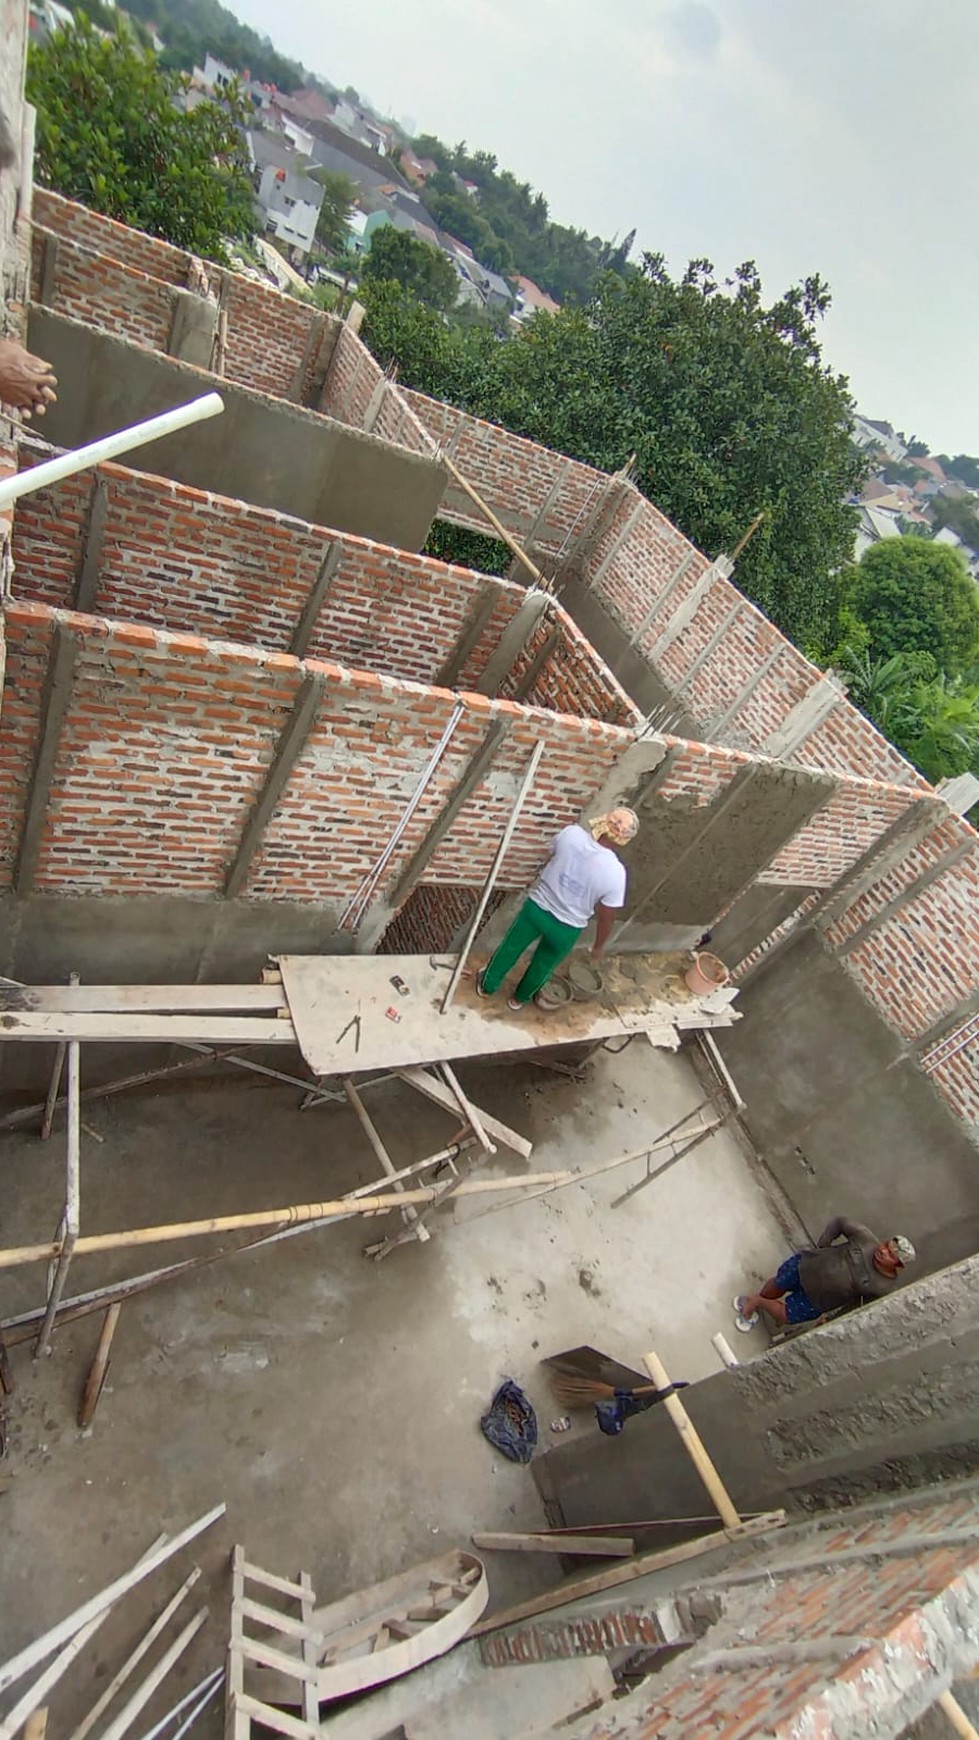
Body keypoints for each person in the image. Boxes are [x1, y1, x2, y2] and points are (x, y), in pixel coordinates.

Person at [477, 807, 639, 1011]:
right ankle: (518, 1000)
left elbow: (552, 853)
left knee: (511, 947)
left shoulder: (571, 834)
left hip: (537, 909)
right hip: (567, 928)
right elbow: (607, 915)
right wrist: (598, 946)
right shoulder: (616, 873)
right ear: (624, 839)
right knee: (543, 965)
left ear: (603, 819)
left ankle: (487, 985)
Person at [735, 1217, 916, 1332]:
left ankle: (758, 1302)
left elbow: (857, 1306)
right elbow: (840, 1223)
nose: (883, 1251)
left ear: (898, 1265)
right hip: (807, 1266)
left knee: (785, 1315)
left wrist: (831, 1320)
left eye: (890, 1254)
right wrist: (824, 1245)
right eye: (886, 1245)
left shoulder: (884, 1287)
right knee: (778, 1284)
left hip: (819, 1299)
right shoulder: (865, 1238)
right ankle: (758, 1301)